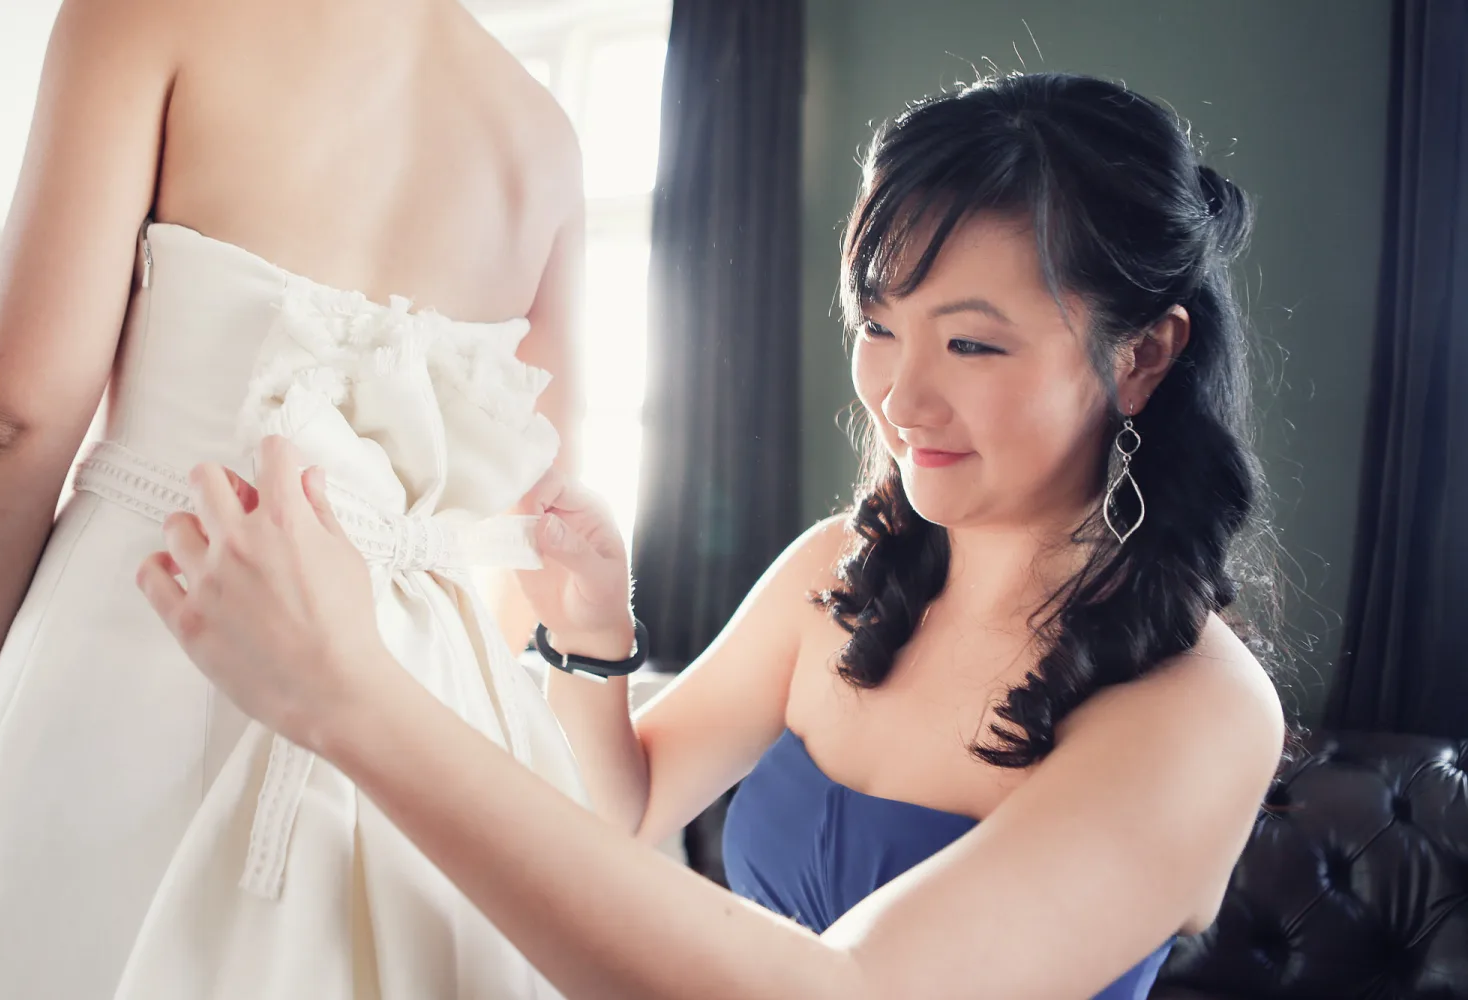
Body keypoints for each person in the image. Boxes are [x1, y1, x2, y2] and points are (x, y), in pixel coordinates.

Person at [141, 72, 1287, 999]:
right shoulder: (837, 570)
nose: (902, 399)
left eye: (973, 346)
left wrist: (347, 700)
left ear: (1142, 356)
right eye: (879, 327)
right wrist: (596, 644)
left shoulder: (1200, 713)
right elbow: (626, 813)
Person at [0, 0, 587, 996]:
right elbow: (538, 509)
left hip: (153, 618)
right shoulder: (542, 135)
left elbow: (19, 412)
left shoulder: (149, 15)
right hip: (423, 702)